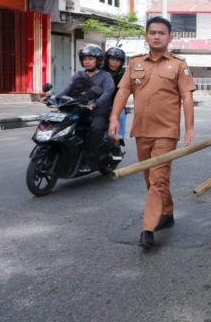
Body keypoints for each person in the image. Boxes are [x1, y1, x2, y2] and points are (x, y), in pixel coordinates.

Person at [108, 16, 196, 250]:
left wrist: (188, 128)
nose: (157, 36)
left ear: (169, 37)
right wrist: (114, 118)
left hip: (166, 133)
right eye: (152, 32)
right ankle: (166, 213)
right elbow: (123, 91)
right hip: (142, 131)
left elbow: (187, 96)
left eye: (161, 33)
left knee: (157, 180)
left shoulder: (179, 65)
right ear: (146, 36)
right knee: (151, 180)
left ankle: (148, 229)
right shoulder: (135, 63)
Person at [56, 44, 115, 174]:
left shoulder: (105, 76)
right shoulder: (79, 75)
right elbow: (67, 89)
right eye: (84, 59)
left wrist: (96, 103)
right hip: (79, 110)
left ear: (98, 61)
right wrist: (54, 98)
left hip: (97, 112)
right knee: (63, 125)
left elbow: (108, 92)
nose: (87, 61)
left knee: (95, 129)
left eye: (90, 59)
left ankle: (88, 161)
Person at [103, 47, 127, 142]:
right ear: (107, 59)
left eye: (118, 60)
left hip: (116, 103)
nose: (114, 63)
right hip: (100, 103)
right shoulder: (100, 72)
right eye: (112, 59)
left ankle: (118, 139)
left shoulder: (124, 73)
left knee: (121, 114)